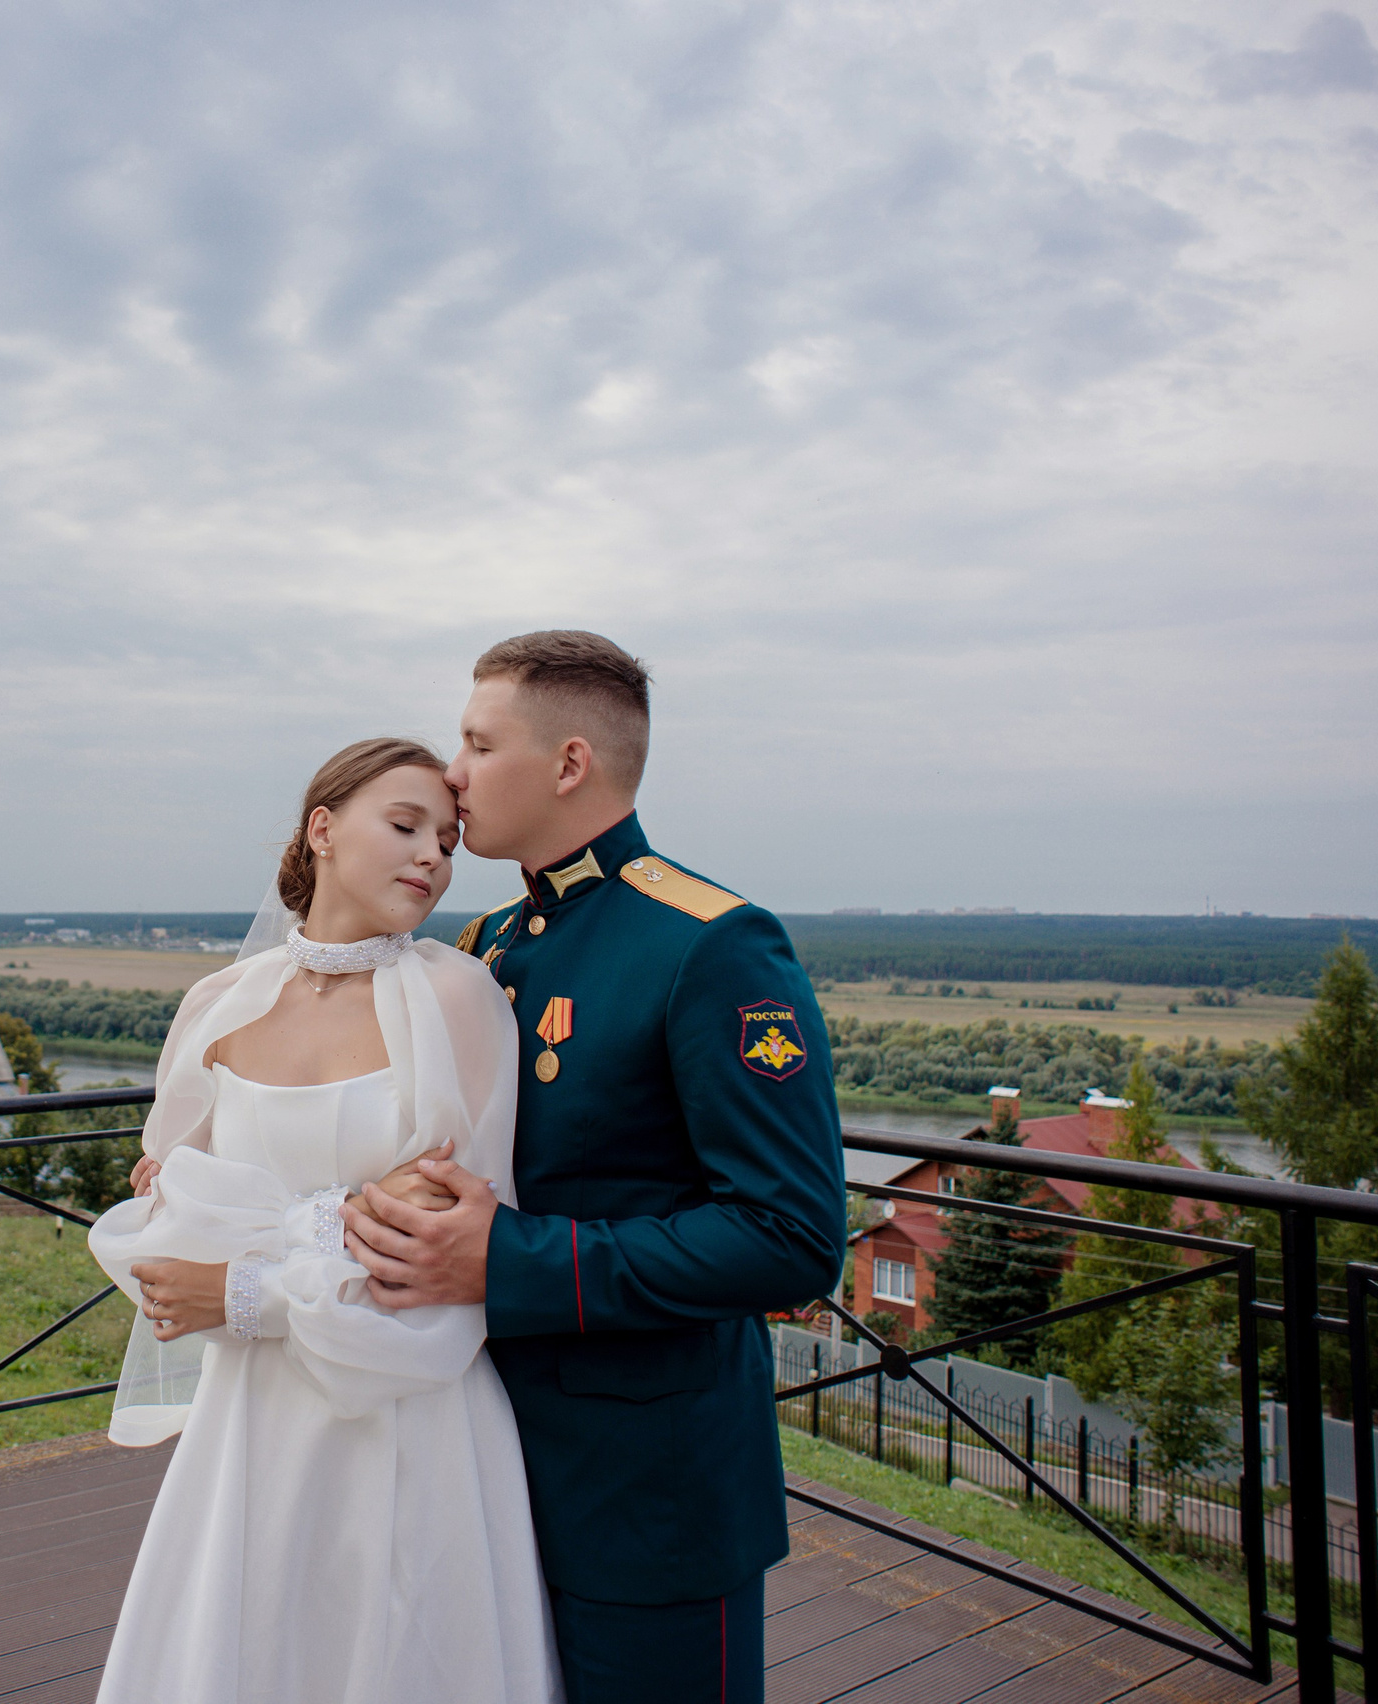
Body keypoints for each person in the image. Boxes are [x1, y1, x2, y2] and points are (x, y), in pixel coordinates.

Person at [341, 631, 846, 1704]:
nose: (451, 774)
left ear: (569, 764)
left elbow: (790, 1238)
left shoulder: (709, 947)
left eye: (477, 744)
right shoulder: (482, 944)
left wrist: (508, 1260)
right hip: (471, 1461)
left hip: (643, 1493)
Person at [86, 736, 559, 1704]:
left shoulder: (456, 999)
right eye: (404, 825)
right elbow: (170, 1212)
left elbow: (436, 1248)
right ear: (323, 829)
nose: (433, 854)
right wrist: (312, 1219)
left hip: (406, 1413)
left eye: (448, 838)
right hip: (250, 1422)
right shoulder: (219, 1004)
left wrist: (245, 1284)